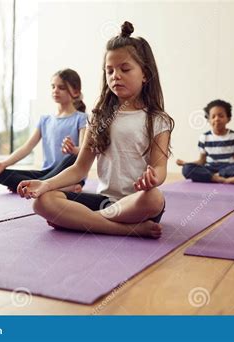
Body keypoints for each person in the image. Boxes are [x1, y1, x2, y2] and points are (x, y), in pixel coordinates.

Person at [17, 22, 175, 239]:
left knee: (154, 198)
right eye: (109, 71)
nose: (115, 76)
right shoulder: (100, 117)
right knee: (43, 201)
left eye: (125, 69)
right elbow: (79, 169)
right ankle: (124, 229)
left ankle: (82, 221)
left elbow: (160, 167)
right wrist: (46, 184)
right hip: (105, 202)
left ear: (145, 74)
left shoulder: (158, 120)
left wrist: (153, 179)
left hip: (136, 203)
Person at [0, 69, 87, 193]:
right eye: (53, 87)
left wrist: (73, 150)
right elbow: (27, 147)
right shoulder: (45, 119)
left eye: (61, 87)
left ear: (76, 92)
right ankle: (50, 186)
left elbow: (84, 151)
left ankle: (45, 185)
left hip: (68, 173)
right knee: (3, 175)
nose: (55, 90)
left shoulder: (81, 118)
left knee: (73, 157)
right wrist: (3, 164)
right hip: (46, 173)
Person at [176, 99, 234, 184]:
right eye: (213, 116)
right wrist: (186, 163)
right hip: (210, 168)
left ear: (228, 119)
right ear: (208, 120)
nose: (217, 119)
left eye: (221, 116)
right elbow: (201, 161)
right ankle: (221, 179)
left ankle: (212, 176)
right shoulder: (204, 137)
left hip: (228, 168)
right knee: (187, 169)